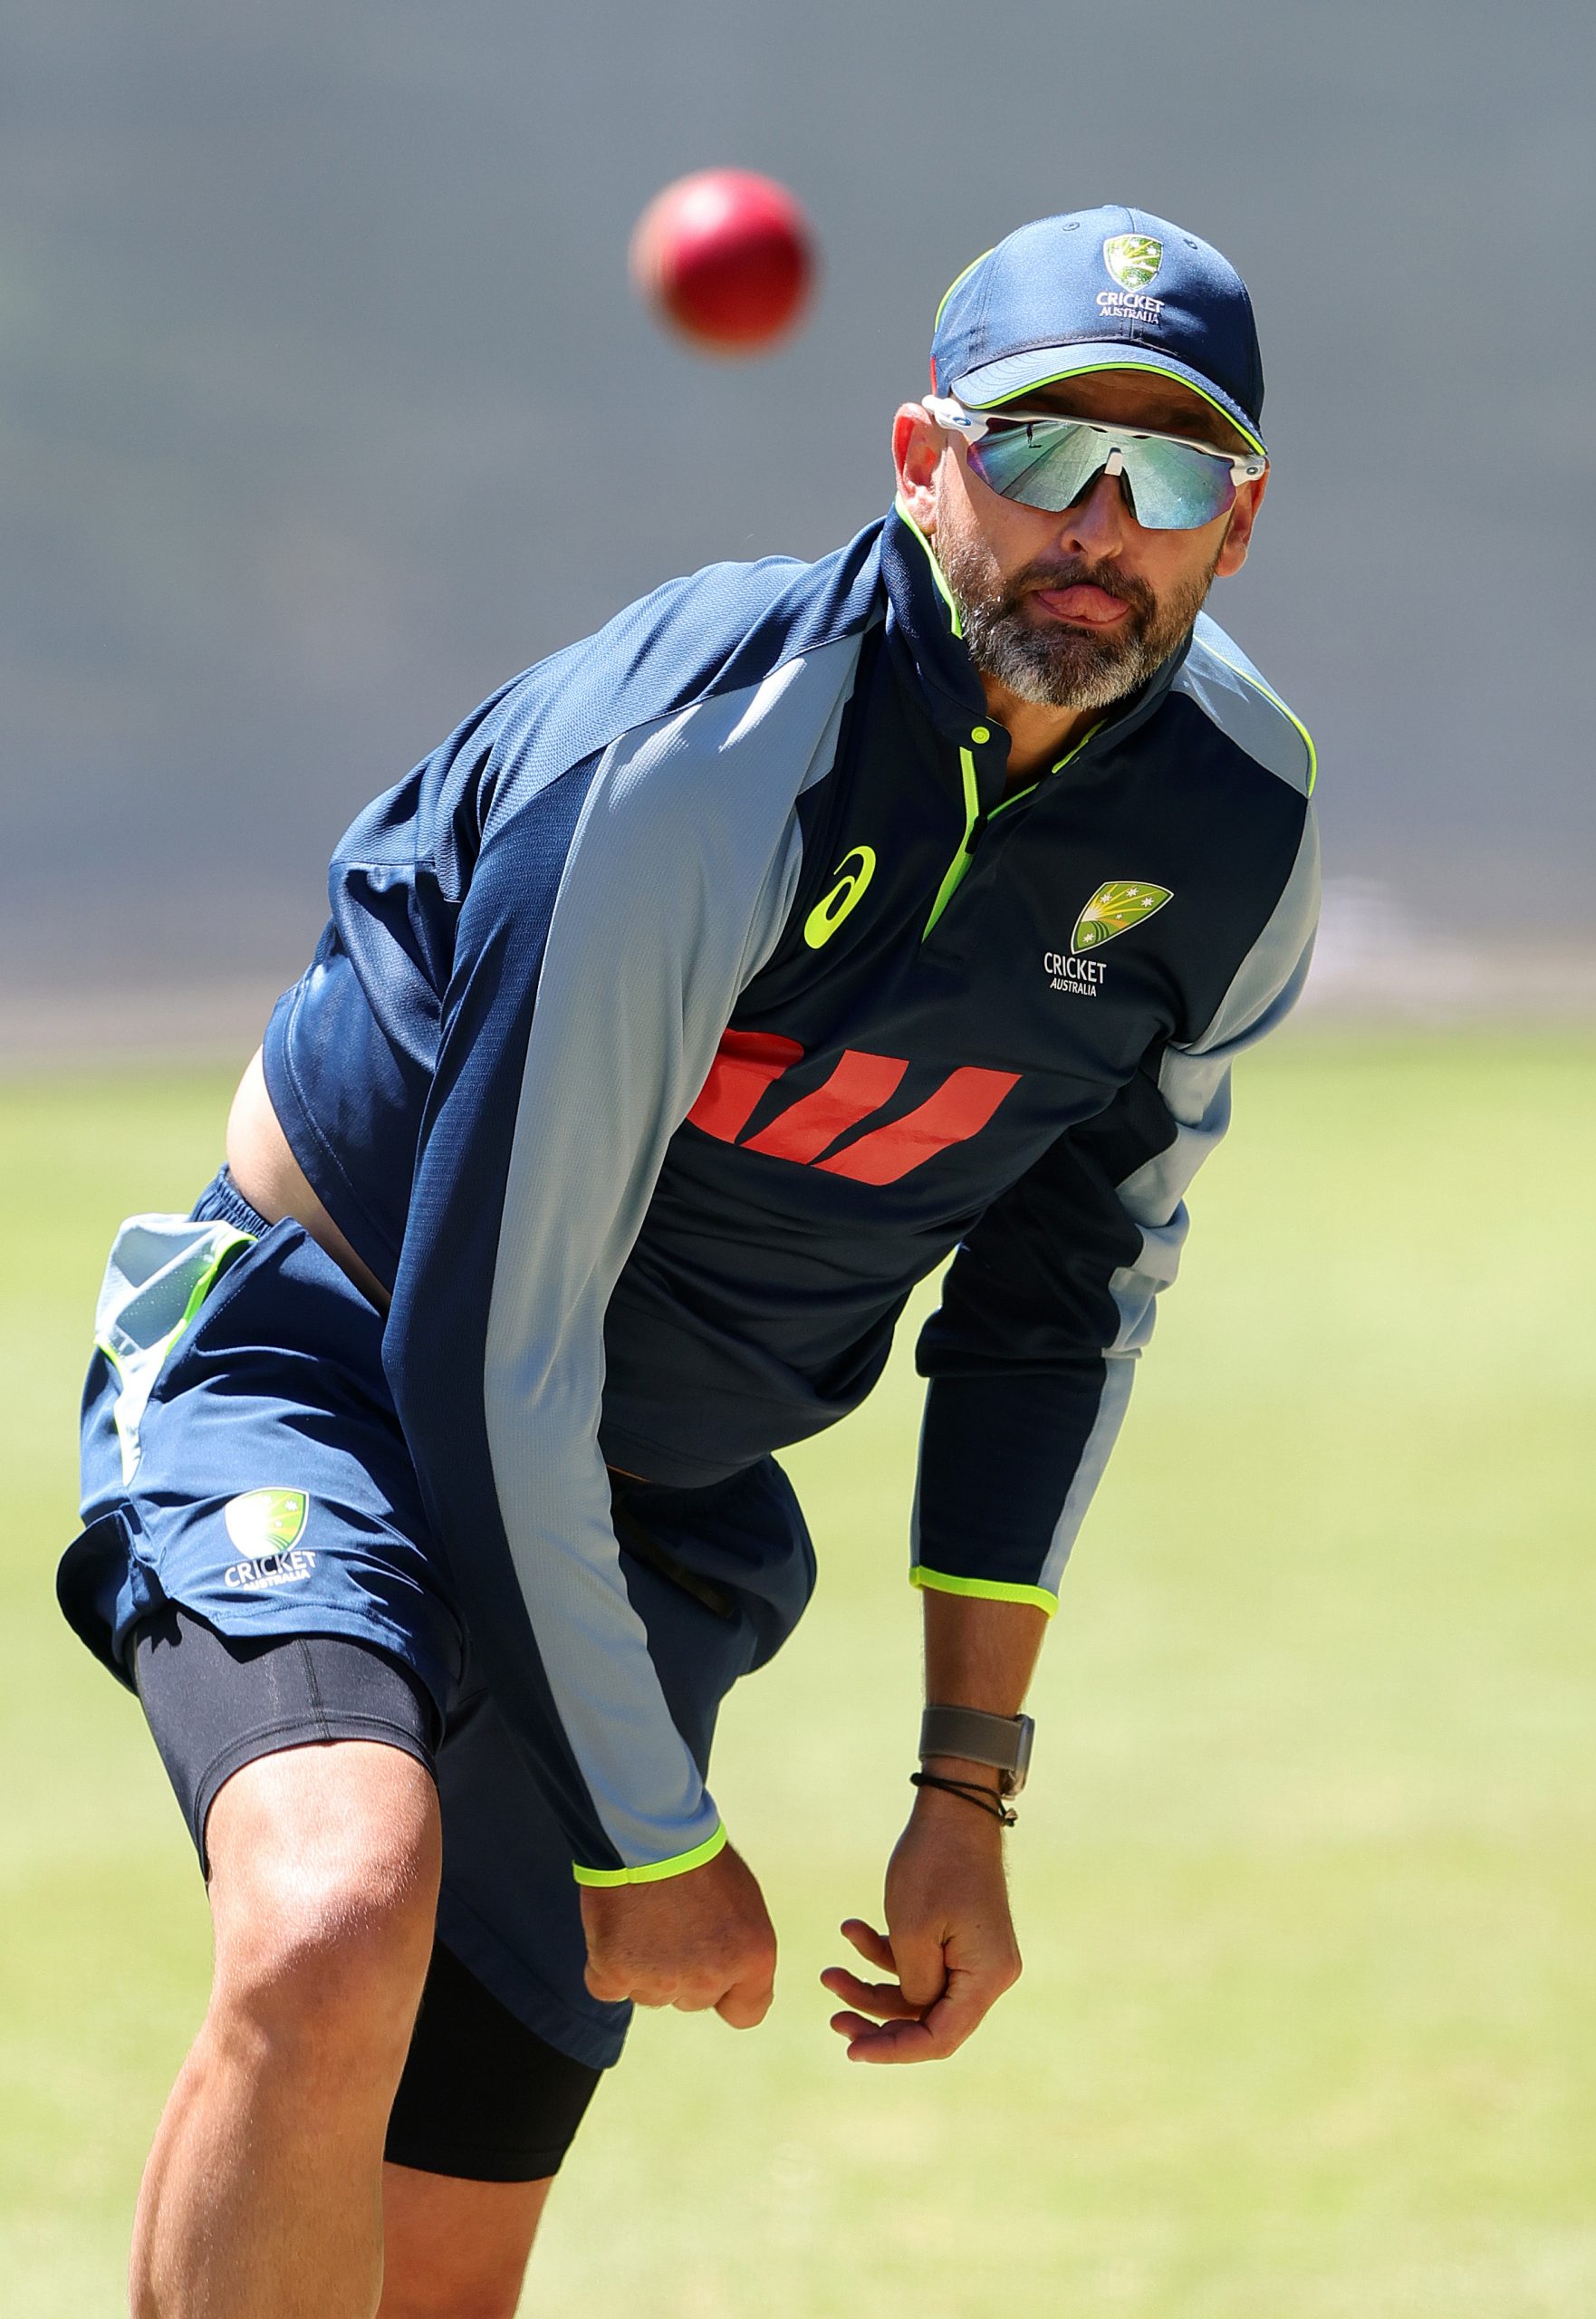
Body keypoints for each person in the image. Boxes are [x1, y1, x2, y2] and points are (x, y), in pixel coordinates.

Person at [61, 203, 1318, 2319]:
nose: (1096, 523)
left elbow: (1057, 1310)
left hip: (648, 1502)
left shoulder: (1232, 826)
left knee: (441, 2267)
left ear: (1239, 525)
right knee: (331, 1916)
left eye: (1167, 473)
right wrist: (644, 1830)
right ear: (919, 460)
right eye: (1034, 451)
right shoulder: (707, 757)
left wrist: (963, 1788)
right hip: (327, 1369)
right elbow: (484, 1343)